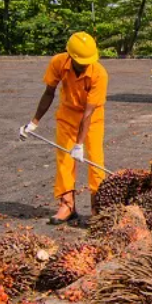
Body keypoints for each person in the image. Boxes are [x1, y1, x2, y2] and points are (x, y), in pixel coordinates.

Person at [19, 32, 108, 224]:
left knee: (95, 161)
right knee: (64, 160)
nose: (85, 64)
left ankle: (97, 207)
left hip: (91, 119)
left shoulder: (99, 74)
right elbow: (48, 93)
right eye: (81, 61)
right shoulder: (59, 63)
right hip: (67, 115)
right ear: (71, 56)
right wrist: (34, 122)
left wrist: (79, 145)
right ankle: (67, 205)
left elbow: (88, 113)